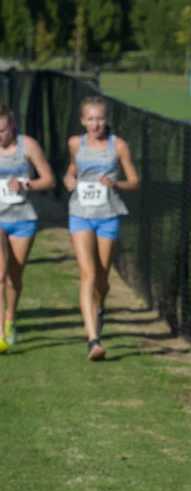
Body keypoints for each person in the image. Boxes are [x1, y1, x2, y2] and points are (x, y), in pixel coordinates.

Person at [64, 96, 139, 361]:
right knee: (88, 273)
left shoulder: (118, 146)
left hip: (108, 215)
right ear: (83, 120)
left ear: (106, 120)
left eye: (100, 119)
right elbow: (72, 170)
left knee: (103, 278)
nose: (96, 124)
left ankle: (100, 306)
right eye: (91, 119)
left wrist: (115, 184)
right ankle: (93, 340)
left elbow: (134, 181)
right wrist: (68, 179)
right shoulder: (76, 143)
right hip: (80, 214)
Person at [0, 104, 54, 352]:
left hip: (23, 218)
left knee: (14, 277)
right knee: (0, 273)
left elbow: (49, 179)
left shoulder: (28, 145)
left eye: (2, 131)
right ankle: (0, 332)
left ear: (11, 126)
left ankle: (11, 318)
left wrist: (25, 185)